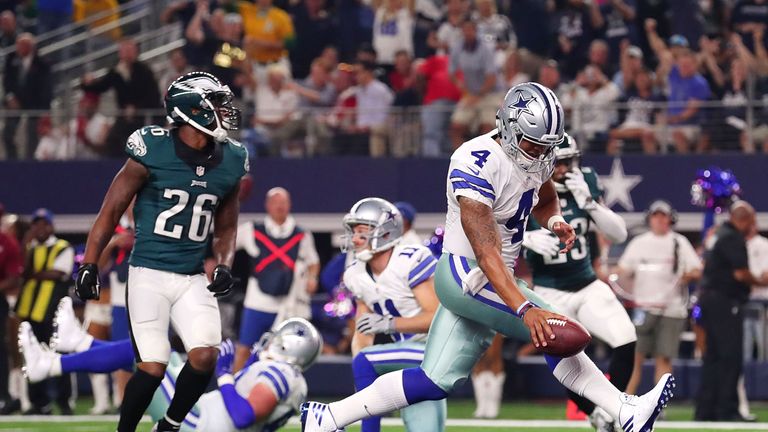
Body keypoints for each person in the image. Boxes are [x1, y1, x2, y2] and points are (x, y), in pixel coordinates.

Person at [301, 82, 675, 432]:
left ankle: (328, 416)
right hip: (466, 274)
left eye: (548, 146)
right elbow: (486, 251)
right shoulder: (476, 161)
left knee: (433, 380)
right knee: (557, 330)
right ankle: (623, 410)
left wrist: (556, 220)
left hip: (493, 275)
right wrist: (526, 310)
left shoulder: (538, 154)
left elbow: (544, 198)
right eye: (533, 144)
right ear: (510, 129)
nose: (542, 154)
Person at [73, 71, 248, 432]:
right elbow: (111, 212)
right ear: (191, 110)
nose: (223, 110)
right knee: (153, 366)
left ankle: (168, 426)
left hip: (192, 276)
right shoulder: (151, 148)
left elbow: (227, 224)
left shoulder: (231, 158)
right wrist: (90, 262)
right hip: (148, 273)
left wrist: (224, 264)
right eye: (214, 103)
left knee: (205, 356)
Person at [19, 298, 322, 432]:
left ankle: (52, 363)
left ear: (287, 346)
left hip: (198, 424)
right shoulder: (287, 376)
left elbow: (243, 416)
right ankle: (78, 345)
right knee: (157, 352)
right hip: (202, 416)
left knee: (154, 353)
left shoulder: (282, 374)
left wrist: (226, 376)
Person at [522, 133, 635, 432]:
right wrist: (525, 236)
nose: (563, 170)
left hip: (586, 283)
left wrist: (590, 202)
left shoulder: (585, 181)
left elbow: (619, 234)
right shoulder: (527, 185)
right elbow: (493, 230)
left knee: (625, 337)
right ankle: (596, 415)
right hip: (549, 290)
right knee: (568, 359)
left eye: (568, 162)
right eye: (557, 164)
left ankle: (612, 408)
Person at [341, 197, 444, 432]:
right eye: (353, 231)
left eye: (362, 231)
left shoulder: (408, 260)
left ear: (386, 233)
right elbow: (363, 330)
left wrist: (389, 324)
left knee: (365, 361)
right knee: (426, 429)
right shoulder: (355, 274)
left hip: (436, 348)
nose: (355, 239)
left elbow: (435, 319)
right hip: (412, 360)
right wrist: (362, 379)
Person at [616, 200, 702, 398]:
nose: (660, 220)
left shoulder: (679, 242)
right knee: (635, 356)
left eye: (664, 216)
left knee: (664, 357)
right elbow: (623, 270)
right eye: (656, 216)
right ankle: (626, 400)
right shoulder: (639, 243)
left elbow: (697, 269)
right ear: (650, 219)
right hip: (643, 308)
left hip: (672, 308)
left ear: (671, 219)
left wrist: (687, 276)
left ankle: (658, 403)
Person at [695, 201, 768, 421]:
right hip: (726, 303)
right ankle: (727, 410)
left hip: (710, 301)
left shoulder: (719, 234)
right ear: (743, 219)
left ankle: (706, 411)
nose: (753, 226)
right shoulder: (733, 237)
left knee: (713, 357)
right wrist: (760, 282)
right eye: (752, 221)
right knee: (730, 357)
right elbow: (740, 274)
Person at [234, 187, 320, 371]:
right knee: (244, 349)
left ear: (289, 205)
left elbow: (313, 262)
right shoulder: (251, 230)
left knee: (287, 353)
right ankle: (233, 388)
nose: (279, 207)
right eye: (275, 203)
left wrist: (312, 278)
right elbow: (226, 244)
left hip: (287, 305)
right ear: (267, 205)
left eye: (283, 203)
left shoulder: (302, 235)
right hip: (257, 302)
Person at [16, 208, 75, 415]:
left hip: (53, 311)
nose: (40, 228)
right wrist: (25, 245)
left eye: (44, 224)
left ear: (51, 226)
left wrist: (34, 275)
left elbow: (59, 273)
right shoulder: (30, 248)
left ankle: (64, 401)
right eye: (36, 224)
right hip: (31, 310)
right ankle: (38, 402)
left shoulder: (62, 247)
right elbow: (20, 269)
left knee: (59, 356)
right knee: (32, 355)